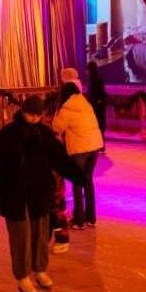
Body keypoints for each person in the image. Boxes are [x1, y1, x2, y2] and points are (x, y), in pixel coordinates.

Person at [0, 95, 81, 292]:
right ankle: (22, 276)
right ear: (22, 112)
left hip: (40, 194)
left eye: (38, 115)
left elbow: (61, 159)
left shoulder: (45, 134)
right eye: (31, 114)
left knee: (40, 235)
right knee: (20, 237)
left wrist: (79, 177)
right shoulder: (8, 134)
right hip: (15, 195)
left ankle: (39, 269)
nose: (34, 118)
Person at [51, 79, 104, 227]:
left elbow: (56, 128)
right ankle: (90, 217)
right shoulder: (85, 104)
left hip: (80, 149)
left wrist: (57, 111)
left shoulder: (66, 108)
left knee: (77, 182)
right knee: (88, 180)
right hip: (94, 146)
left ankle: (79, 219)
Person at [86, 61, 108, 146]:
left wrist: (98, 101)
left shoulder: (96, 79)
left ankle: (100, 144)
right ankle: (99, 144)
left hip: (97, 105)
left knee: (98, 124)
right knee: (98, 125)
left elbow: (100, 92)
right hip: (96, 105)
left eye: (88, 70)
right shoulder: (92, 79)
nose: (86, 72)